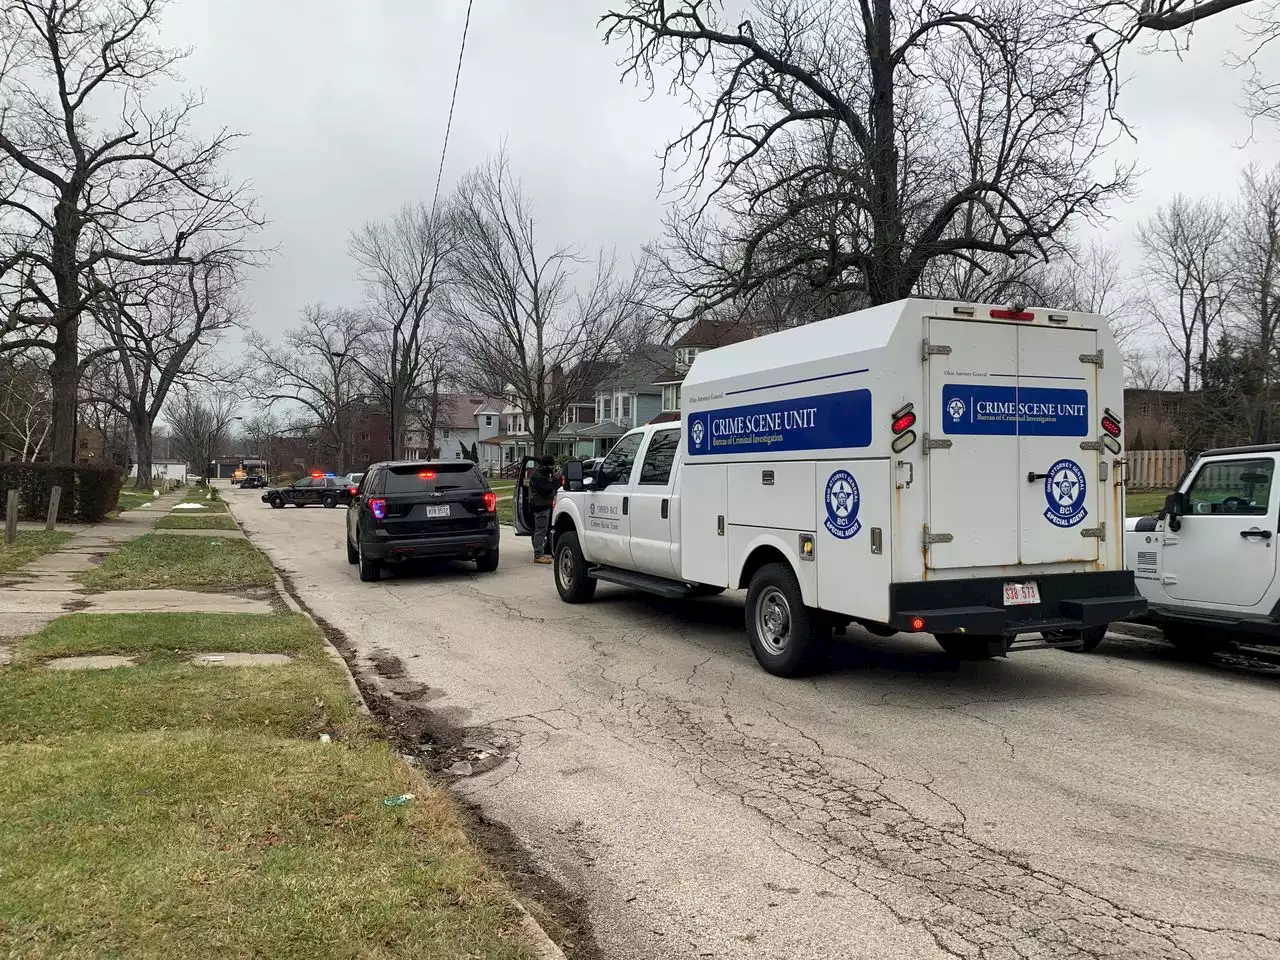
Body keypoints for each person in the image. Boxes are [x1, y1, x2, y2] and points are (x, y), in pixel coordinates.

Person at [529, 455, 558, 564]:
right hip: (540, 506)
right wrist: (555, 478)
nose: (552, 467)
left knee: (542, 530)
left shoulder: (542, 474)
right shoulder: (537, 476)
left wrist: (553, 477)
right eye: (551, 465)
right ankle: (538, 555)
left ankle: (540, 552)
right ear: (546, 465)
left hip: (543, 505)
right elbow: (547, 488)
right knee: (540, 531)